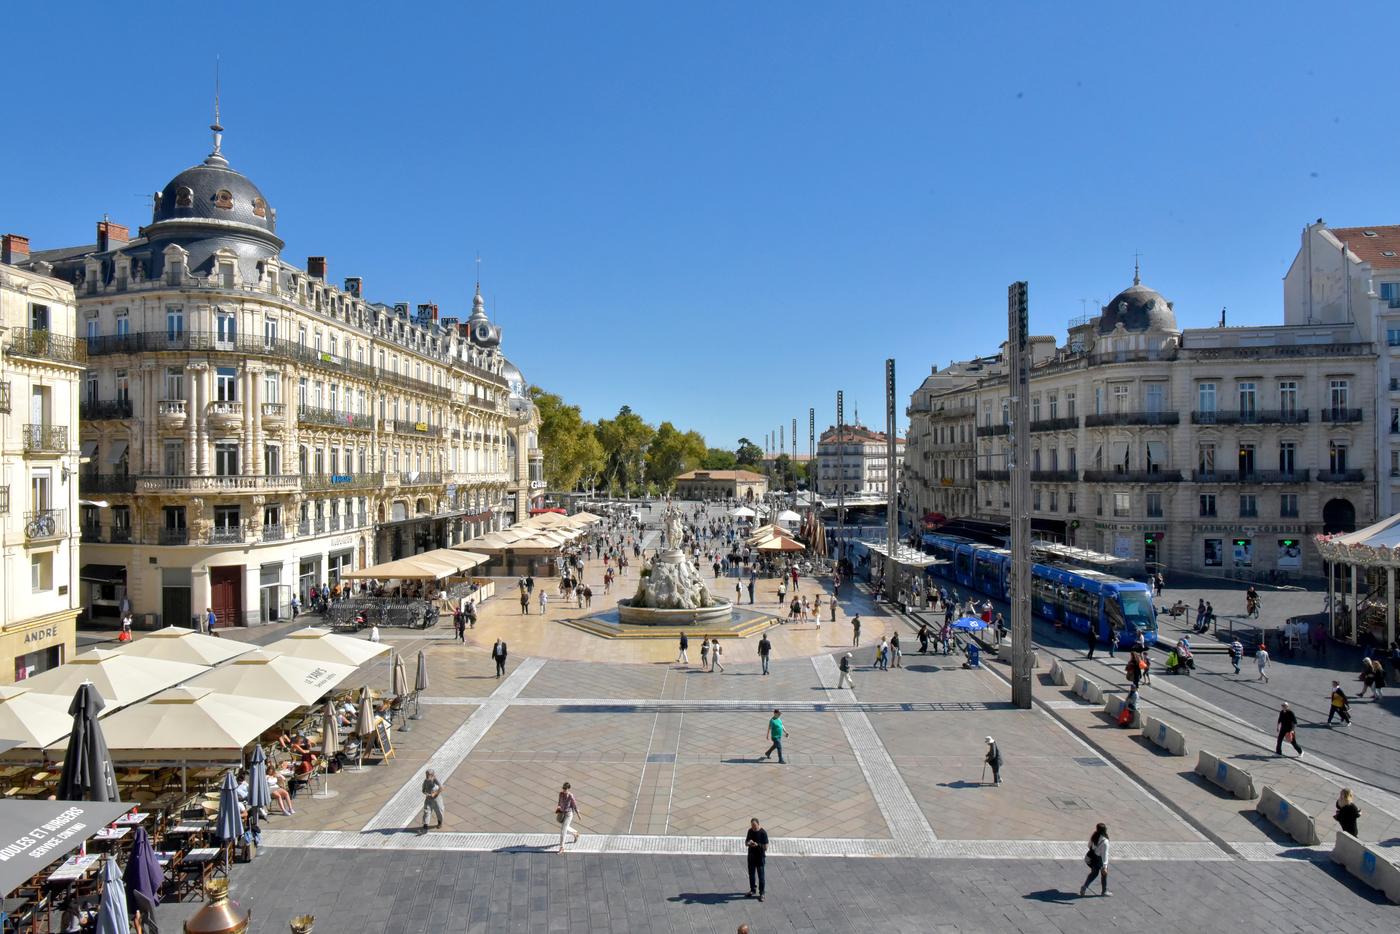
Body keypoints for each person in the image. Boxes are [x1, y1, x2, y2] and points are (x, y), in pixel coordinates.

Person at [1079, 823, 1111, 897]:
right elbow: (1105, 854)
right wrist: (1105, 866)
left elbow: (1089, 845)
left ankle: (1085, 886)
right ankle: (1104, 891)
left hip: (1092, 857)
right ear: (1105, 830)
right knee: (1104, 874)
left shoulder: (1094, 835)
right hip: (1099, 859)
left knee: (1094, 873)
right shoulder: (1105, 841)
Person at [745, 818, 769, 901]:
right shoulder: (750, 831)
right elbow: (746, 842)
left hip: (760, 858)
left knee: (761, 877)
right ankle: (752, 890)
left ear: (758, 824)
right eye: (752, 826)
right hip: (751, 857)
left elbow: (766, 847)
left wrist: (757, 845)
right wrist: (749, 843)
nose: (753, 827)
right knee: (751, 875)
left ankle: (762, 893)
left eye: (754, 826)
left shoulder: (763, 833)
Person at [556, 782, 580, 853]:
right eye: (563, 788)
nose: (564, 790)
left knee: (563, 830)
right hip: (562, 812)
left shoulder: (570, 796)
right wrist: (558, 807)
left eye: (565, 789)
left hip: (569, 814)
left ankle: (561, 847)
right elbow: (559, 802)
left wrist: (578, 814)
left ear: (568, 789)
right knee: (562, 824)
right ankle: (575, 833)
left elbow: (574, 805)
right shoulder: (561, 794)